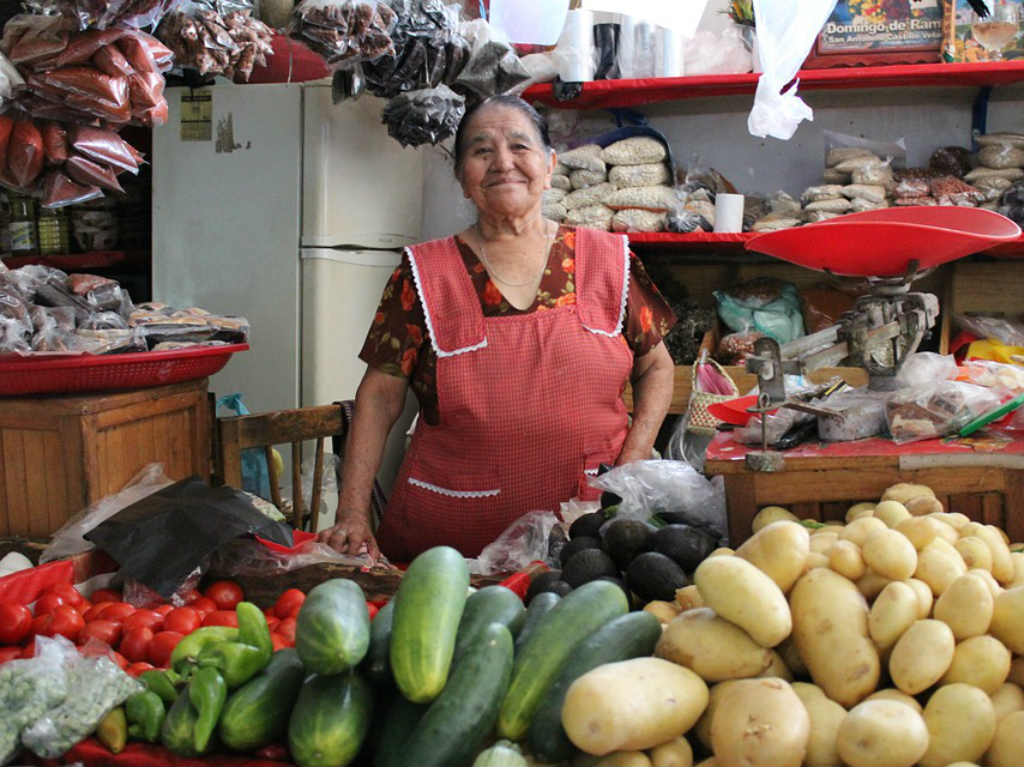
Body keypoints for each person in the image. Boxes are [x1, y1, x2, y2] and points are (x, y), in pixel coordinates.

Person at [319, 94, 676, 562]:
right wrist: (351, 512)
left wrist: (632, 463)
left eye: (519, 147)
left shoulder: (608, 260)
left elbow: (657, 368)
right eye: (481, 150)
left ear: (549, 167)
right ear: (462, 178)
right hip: (449, 547)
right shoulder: (425, 274)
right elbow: (380, 395)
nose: (502, 162)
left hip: (586, 534)